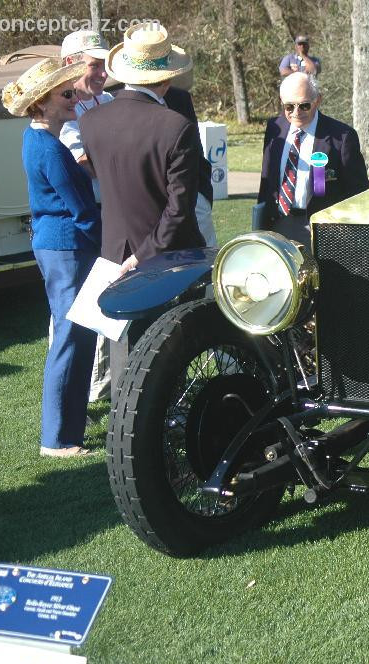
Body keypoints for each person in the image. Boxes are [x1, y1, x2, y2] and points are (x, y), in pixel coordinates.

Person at [79, 23, 205, 393]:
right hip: (169, 257)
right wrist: (146, 253)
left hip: (114, 249)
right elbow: (179, 208)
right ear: (165, 81)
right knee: (171, 350)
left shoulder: (90, 121)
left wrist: (131, 254)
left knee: (125, 353)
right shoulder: (175, 126)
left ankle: (126, 426)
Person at [2, 57, 101, 457]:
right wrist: (114, 246)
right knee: (70, 337)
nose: (74, 96)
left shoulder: (41, 139)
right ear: (41, 104)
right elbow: (80, 210)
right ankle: (57, 439)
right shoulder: (49, 148)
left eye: (72, 90)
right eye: (66, 93)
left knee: (76, 335)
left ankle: (68, 430)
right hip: (67, 249)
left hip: (59, 246)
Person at [57, 29, 113, 403]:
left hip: (110, 215)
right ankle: (73, 391)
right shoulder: (58, 108)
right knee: (72, 312)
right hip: (79, 223)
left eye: (104, 66)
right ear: (69, 65)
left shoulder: (108, 100)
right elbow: (85, 163)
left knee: (108, 301)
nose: (102, 74)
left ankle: (104, 386)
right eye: (94, 65)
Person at [256, 73, 369, 242]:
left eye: (304, 106)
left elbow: (357, 193)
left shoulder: (342, 136)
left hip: (323, 231)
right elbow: (266, 180)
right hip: (278, 224)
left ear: (318, 100)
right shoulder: (275, 128)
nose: (296, 113)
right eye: (289, 107)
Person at [165, 85, 217, 248]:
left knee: (207, 257)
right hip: (151, 199)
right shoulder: (116, 98)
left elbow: (194, 148)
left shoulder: (179, 97)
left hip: (193, 193)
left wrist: (202, 195)